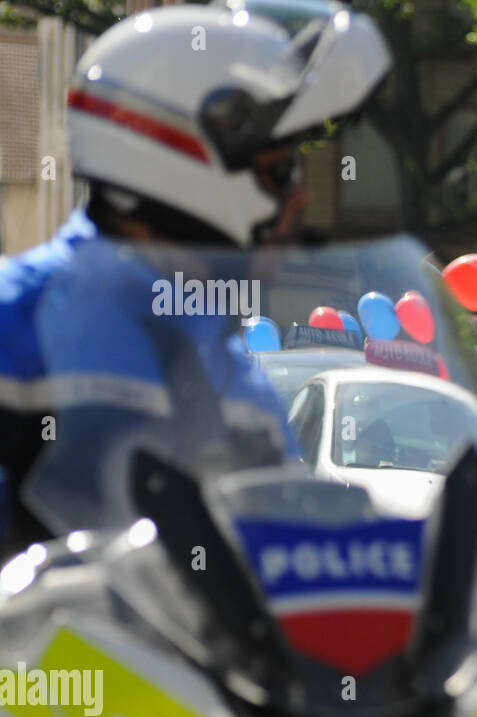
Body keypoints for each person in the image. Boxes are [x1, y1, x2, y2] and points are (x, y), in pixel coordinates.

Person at [0, 2, 392, 557]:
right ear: (177, 161)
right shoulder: (13, 322)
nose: (300, 198)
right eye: (280, 171)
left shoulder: (227, 366)